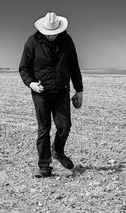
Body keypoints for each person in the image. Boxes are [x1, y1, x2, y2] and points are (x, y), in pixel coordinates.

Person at [19, 12, 83, 178]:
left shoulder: (67, 41)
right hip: (41, 93)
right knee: (43, 130)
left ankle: (58, 151)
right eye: (49, 33)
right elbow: (24, 68)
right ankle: (44, 167)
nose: (52, 36)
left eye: (54, 33)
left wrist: (79, 90)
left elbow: (74, 66)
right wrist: (32, 84)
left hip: (61, 91)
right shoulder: (32, 42)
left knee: (64, 126)